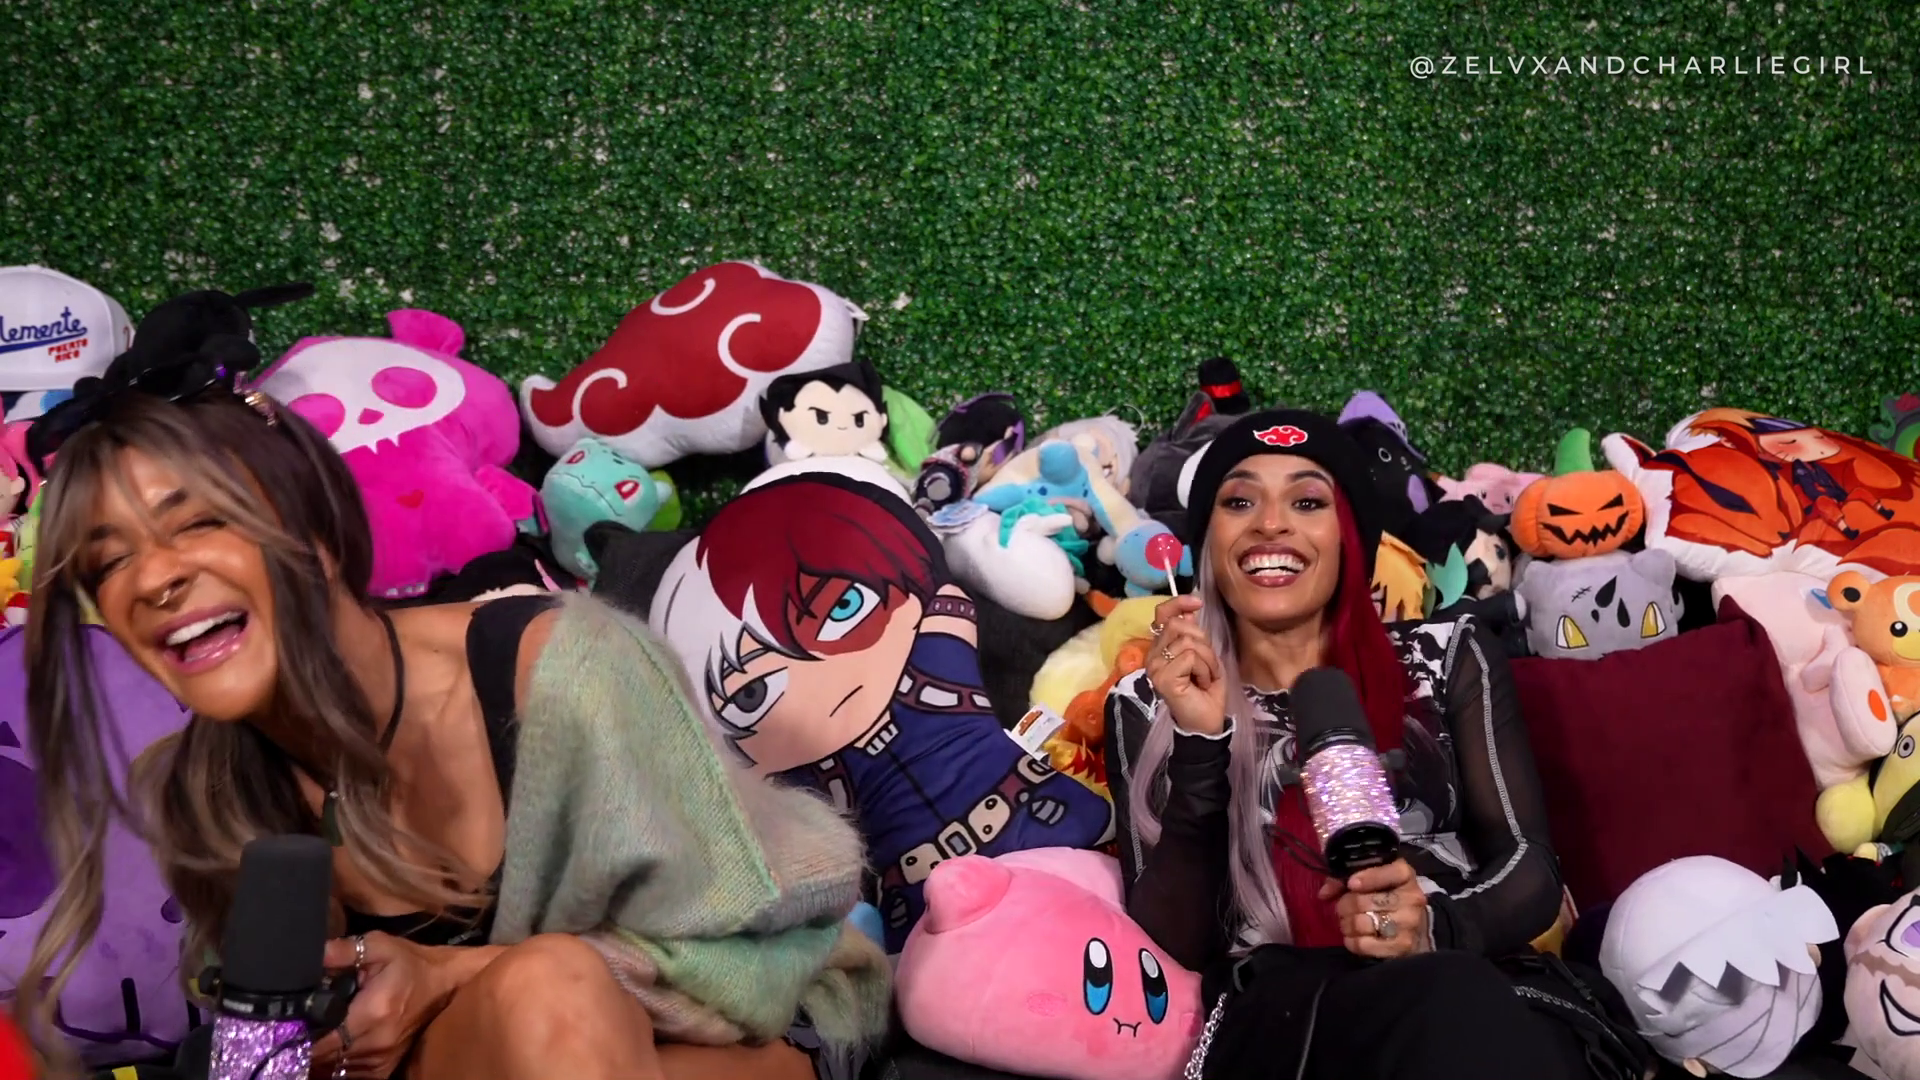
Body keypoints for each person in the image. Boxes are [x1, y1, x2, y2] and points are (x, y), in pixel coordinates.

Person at [11, 315, 883, 1080]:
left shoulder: (563, 670)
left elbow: (741, 968)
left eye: (199, 521)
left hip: (747, 1015)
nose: (154, 579)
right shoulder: (202, 789)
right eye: (109, 560)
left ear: (314, 528)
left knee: (549, 990)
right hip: (500, 1048)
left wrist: (445, 975)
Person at [1105, 410, 1646, 1080]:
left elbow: (1530, 866)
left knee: (1456, 1001)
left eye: (1307, 502)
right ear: (1207, 542)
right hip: (1289, 1022)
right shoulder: (1147, 702)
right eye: (1239, 502)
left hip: (1466, 985)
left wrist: (1434, 930)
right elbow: (1172, 946)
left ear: (1349, 537)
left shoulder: (1447, 656)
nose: (1270, 523)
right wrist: (1199, 740)